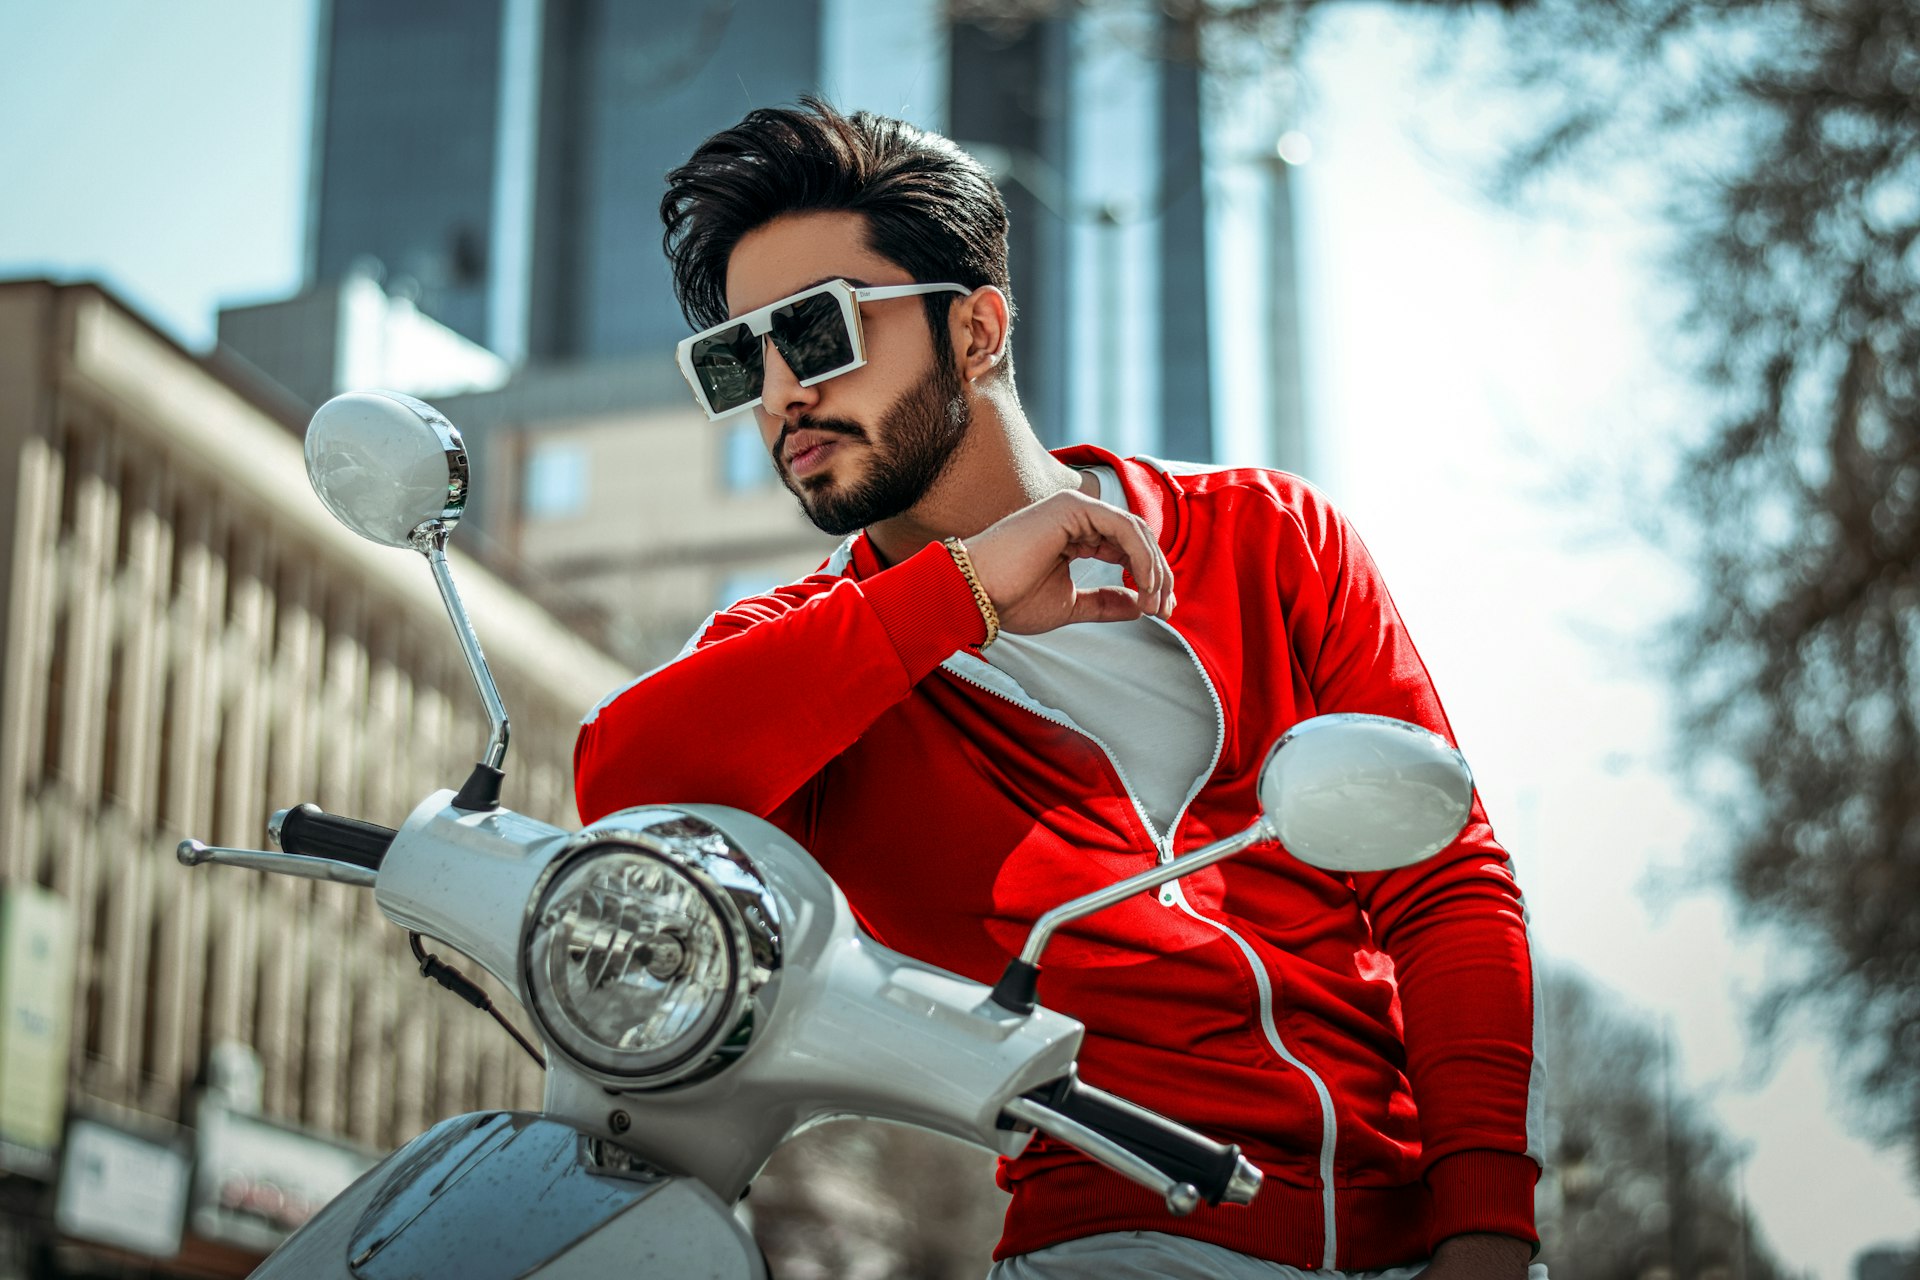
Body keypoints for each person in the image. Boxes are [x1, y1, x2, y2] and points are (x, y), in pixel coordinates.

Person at [573, 98, 1543, 1280]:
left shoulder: (1268, 536)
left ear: (976, 332)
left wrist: (1487, 1223)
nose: (779, 393)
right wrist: (962, 591)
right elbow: (619, 784)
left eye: (815, 332)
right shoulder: (812, 648)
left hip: (1416, 1235)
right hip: (1114, 1234)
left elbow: (1443, 878)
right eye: (740, 359)